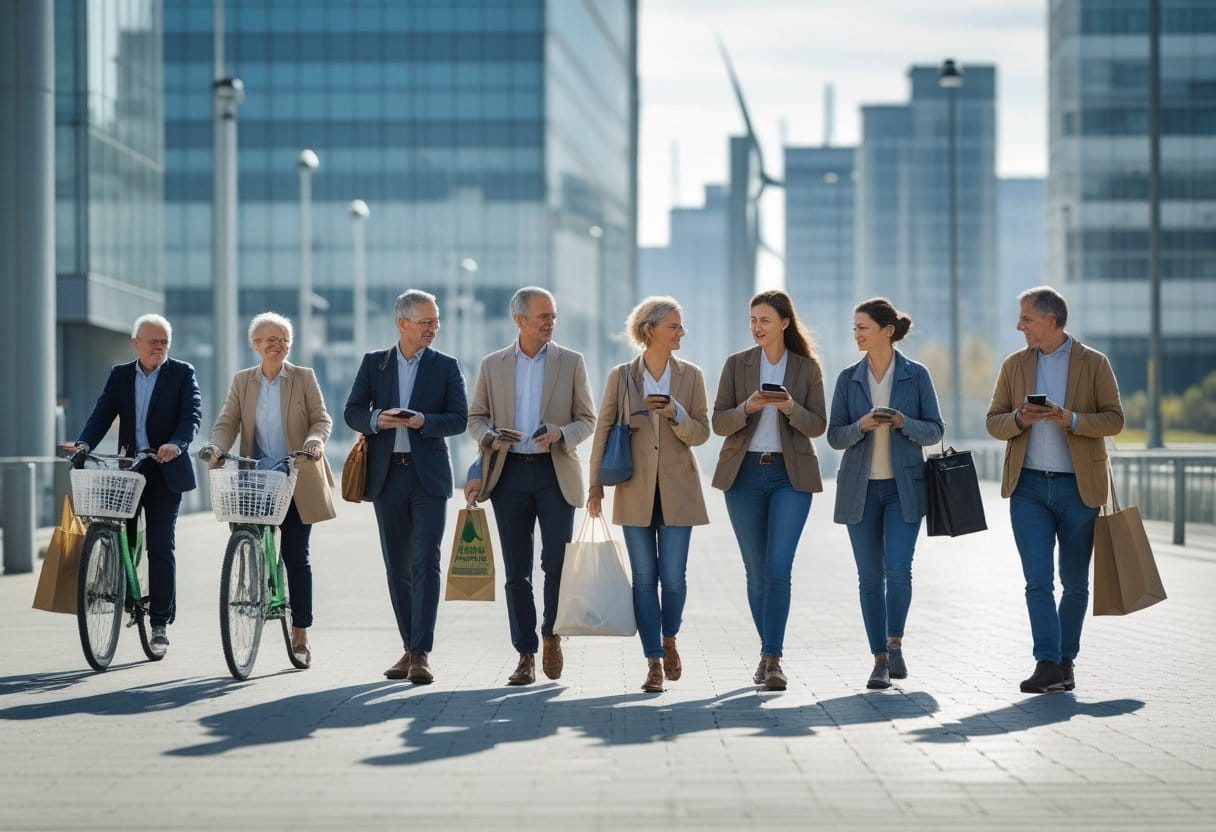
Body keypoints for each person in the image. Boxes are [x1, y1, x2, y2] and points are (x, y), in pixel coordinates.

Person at [986, 286, 1123, 694]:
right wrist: (1020, 418)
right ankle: (1047, 662)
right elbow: (993, 422)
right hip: (1028, 488)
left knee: (1075, 583)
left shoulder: (1093, 362)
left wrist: (1071, 419)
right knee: (1037, 582)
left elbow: (1115, 419)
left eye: (1026, 318)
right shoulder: (1014, 365)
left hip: (1078, 489)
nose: (1019, 326)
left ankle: (1065, 662)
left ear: (1051, 319)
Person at [463, 287, 596, 686]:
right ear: (519, 320)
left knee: (555, 564)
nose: (549, 323)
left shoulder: (571, 362)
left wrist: (560, 433)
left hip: (554, 473)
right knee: (516, 572)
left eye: (552, 316)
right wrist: (489, 437)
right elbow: (475, 418)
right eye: (541, 317)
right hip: (509, 475)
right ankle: (525, 654)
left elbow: (586, 419)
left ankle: (551, 634)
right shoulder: (493, 364)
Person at [344, 290, 468, 684]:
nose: (433, 328)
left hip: (427, 476)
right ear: (402, 324)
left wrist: (422, 422)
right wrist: (379, 419)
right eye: (425, 322)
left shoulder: (446, 366)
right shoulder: (374, 364)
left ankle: (420, 653)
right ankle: (409, 647)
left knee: (425, 562)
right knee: (397, 565)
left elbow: (459, 419)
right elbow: (352, 412)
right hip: (387, 476)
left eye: (435, 321)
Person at [587, 296, 709, 693]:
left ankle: (669, 636)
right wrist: (594, 487)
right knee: (643, 579)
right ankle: (653, 659)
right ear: (649, 330)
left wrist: (676, 413)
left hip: (679, 490)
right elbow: (604, 429)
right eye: (674, 326)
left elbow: (701, 433)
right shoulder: (621, 376)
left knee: (673, 579)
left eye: (681, 325)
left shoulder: (691, 376)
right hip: (633, 489)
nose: (681, 332)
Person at [201, 312, 336, 669]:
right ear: (254, 346)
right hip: (254, 477)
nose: (276, 345)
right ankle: (254, 586)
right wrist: (215, 448)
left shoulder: (303, 377)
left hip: (295, 473)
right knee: (247, 537)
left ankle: (301, 633)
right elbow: (227, 422)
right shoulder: (243, 381)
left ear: (290, 344)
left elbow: (322, 419)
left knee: (296, 555)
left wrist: (313, 442)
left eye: (282, 339)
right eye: (268, 340)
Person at [711, 290, 826, 691]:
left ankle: (772, 659)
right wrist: (749, 407)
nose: (756, 327)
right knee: (756, 570)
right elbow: (719, 423)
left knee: (778, 568)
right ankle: (767, 651)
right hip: (742, 476)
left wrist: (790, 407)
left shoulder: (806, 368)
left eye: (764, 320)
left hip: (789, 477)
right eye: (752, 319)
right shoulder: (736, 365)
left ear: (784, 323)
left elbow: (817, 426)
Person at [827, 298, 943, 690]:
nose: (856, 334)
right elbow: (834, 436)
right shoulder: (848, 378)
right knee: (869, 578)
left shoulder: (916, 375)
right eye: (854, 327)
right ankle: (878, 659)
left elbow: (935, 430)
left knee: (898, 569)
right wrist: (860, 425)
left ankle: (894, 645)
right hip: (859, 490)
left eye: (863, 327)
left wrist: (901, 422)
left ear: (887, 331)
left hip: (904, 489)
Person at [74, 314, 202, 656]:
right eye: (152, 341)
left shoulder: (182, 373)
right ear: (136, 343)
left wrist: (176, 443)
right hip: (129, 469)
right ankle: (123, 596)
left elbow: (191, 417)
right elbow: (102, 414)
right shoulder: (120, 375)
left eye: (164, 342)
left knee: (160, 545)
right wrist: (84, 444)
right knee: (121, 538)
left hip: (165, 470)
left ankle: (159, 622)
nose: (159, 347)